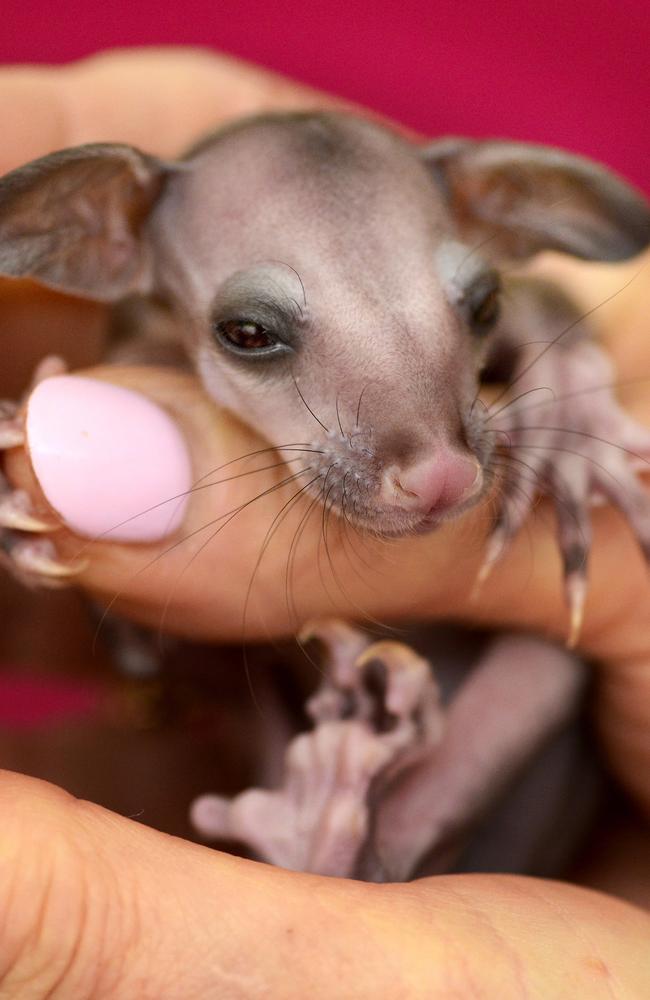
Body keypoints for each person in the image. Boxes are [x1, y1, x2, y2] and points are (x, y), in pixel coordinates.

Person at [1, 48, 649, 997]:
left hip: (531, 809)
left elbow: (549, 302)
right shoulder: (135, 331)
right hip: (256, 740)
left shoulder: (518, 335)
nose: (440, 466)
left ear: (498, 207)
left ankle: (377, 838)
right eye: (256, 337)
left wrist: (577, 384)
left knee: (560, 627)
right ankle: (336, 841)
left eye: (467, 306)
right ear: (101, 233)